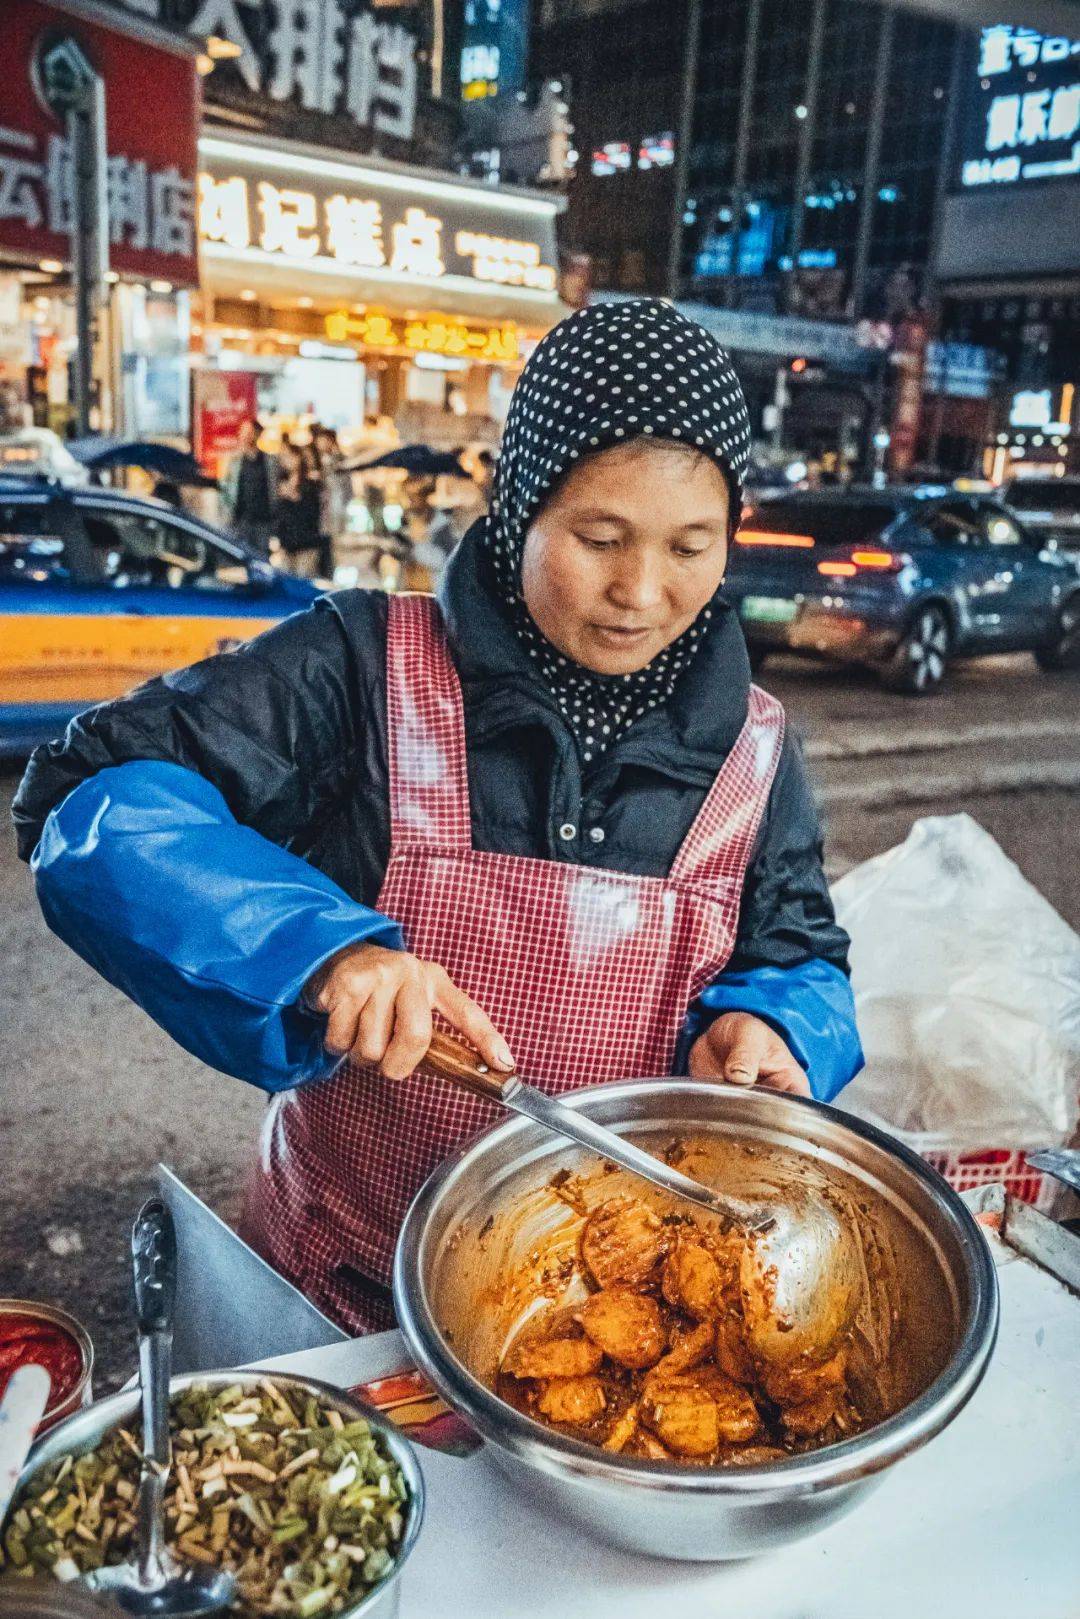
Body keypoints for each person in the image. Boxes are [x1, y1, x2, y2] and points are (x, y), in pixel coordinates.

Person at [13, 299, 863, 1335]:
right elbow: (89, 800)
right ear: (518, 508)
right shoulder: (357, 664)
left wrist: (777, 1025)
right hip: (337, 1287)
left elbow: (801, 951)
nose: (642, 590)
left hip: (603, 1319)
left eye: (693, 544)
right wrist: (316, 950)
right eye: (599, 537)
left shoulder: (758, 746)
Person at [222, 419, 277, 557]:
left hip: (263, 522)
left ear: (257, 434)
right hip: (241, 521)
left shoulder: (269, 461)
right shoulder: (234, 461)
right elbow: (224, 489)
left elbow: (275, 487)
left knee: (262, 559)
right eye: (243, 432)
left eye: (249, 432)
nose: (245, 436)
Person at [274, 440, 322, 578]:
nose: (284, 460)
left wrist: (295, 497)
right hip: (287, 544)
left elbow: (313, 513)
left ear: (298, 457)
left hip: (306, 544)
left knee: (303, 582)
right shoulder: (281, 483)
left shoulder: (310, 484)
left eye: (288, 456)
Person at [312, 424, 346, 578]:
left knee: (331, 552)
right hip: (318, 516)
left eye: (323, 440)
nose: (320, 444)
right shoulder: (314, 460)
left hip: (333, 514)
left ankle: (328, 577)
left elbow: (346, 489)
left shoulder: (340, 461)